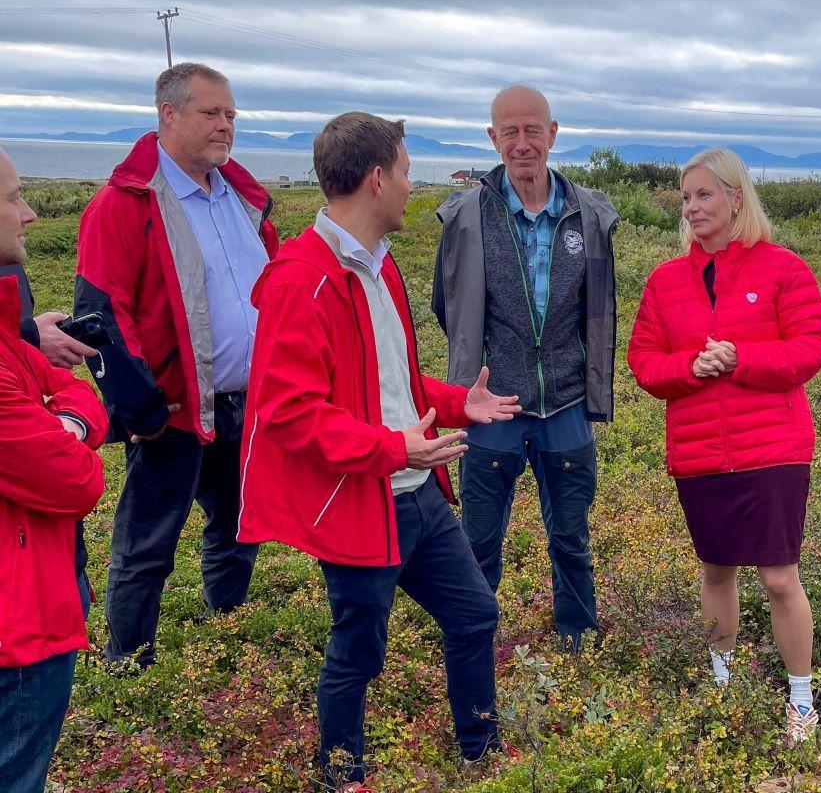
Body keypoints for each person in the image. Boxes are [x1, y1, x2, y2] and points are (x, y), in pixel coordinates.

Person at [238, 112, 520, 788]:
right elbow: (290, 414)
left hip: (414, 491)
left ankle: (479, 744)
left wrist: (457, 403)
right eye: (403, 171)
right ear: (374, 179)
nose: (410, 184)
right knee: (359, 652)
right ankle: (340, 773)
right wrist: (396, 448)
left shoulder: (377, 265)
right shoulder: (300, 279)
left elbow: (384, 378)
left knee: (476, 613)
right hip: (361, 500)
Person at [74, 62, 279, 669]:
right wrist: (140, 407)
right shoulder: (123, 204)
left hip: (246, 402)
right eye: (211, 113)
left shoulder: (241, 197)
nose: (226, 126)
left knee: (240, 528)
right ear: (168, 115)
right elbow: (102, 313)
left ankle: (226, 630)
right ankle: (129, 663)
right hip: (174, 411)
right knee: (148, 544)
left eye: (231, 115)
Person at [627, 148, 821, 745]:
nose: (691, 208)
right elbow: (643, 362)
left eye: (704, 195)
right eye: (686, 197)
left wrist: (742, 358)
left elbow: (812, 347)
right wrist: (692, 367)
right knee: (716, 571)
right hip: (699, 454)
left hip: (773, 450)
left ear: (736, 199)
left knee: (778, 578)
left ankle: (801, 700)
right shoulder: (667, 282)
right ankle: (723, 682)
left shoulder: (783, 268)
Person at [432, 85, 619, 647]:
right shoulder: (465, 216)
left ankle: (577, 638)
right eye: (508, 132)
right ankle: (473, 639)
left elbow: (600, 306)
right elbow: (449, 306)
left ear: (553, 133)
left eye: (532, 130)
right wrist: (485, 368)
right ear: (492, 138)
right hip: (492, 407)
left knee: (571, 535)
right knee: (480, 539)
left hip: (565, 403)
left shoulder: (590, 214)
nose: (521, 143)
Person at [0, 146, 109, 793]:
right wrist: (66, 426)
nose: (30, 212)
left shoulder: (12, 335)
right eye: (13, 197)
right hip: (17, 632)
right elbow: (76, 480)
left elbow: (75, 397)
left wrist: (60, 418)